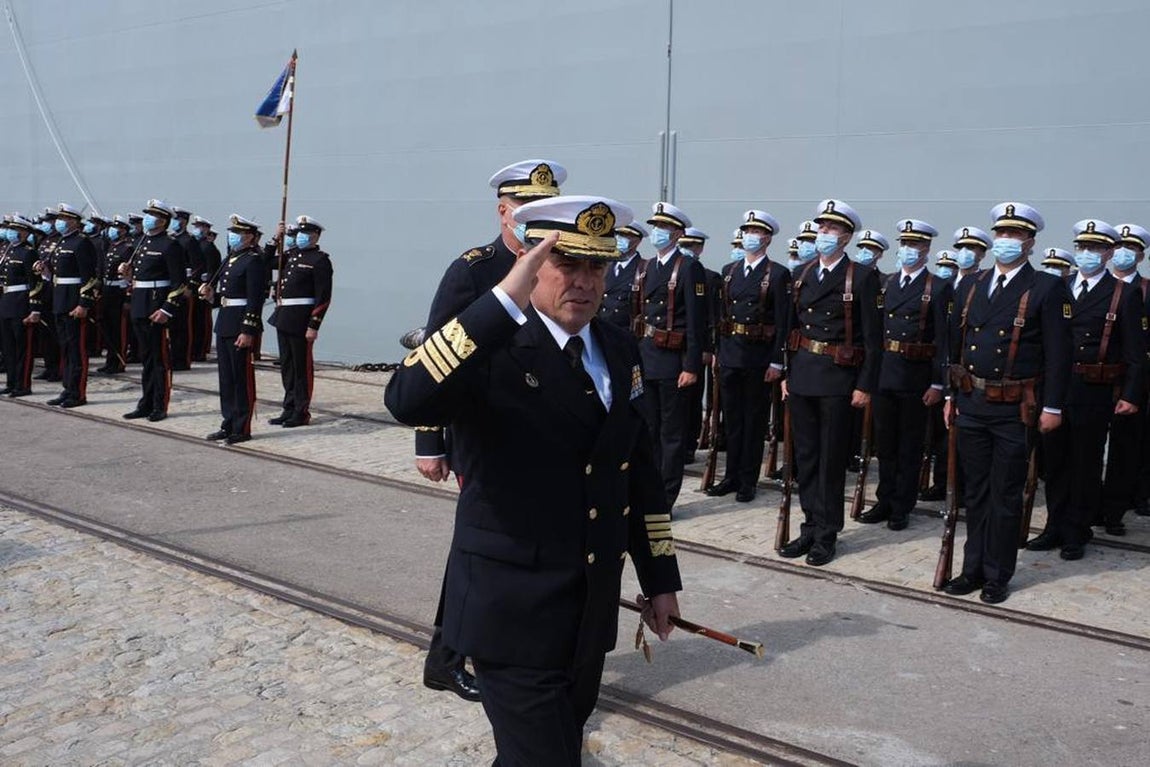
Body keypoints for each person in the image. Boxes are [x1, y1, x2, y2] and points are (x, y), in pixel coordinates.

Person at [385, 195, 682, 766]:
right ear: (530, 265)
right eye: (565, 263)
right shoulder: (490, 345)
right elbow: (406, 397)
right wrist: (501, 301)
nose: (584, 281)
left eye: (596, 266)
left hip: (589, 612)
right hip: (510, 612)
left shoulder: (618, 348)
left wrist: (660, 578)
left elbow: (638, 473)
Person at [413, 159, 567, 705]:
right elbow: (433, 361)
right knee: (478, 550)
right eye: (528, 208)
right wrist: (430, 441)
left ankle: (512, 645)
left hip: (543, 435)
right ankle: (447, 657)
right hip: (483, 437)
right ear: (504, 211)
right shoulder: (474, 270)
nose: (538, 218)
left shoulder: (561, 265)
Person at [943, 202, 1071, 604]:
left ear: (1030, 242)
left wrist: (1053, 406)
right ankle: (972, 568)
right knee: (976, 492)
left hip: (1015, 409)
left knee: (1006, 493)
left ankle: (997, 574)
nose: (1005, 241)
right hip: (972, 401)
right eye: (1001, 233)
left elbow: (1059, 355)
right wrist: (950, 395)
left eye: (1014, 235)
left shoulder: (1047, 287)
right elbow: (956, 345)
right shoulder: (971, 284)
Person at [1026, 219, 1144, 558]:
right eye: (1082, 247)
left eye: (1094, 248)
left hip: (1093, 390)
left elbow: (1136, 351)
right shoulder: (1058, 285)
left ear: (1108, 253)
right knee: (1054, 462)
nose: (1086, 253)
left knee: (1085, 463)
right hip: (1055, 388)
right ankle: (1054, 525)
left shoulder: (1124, 293)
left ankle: (1076, 531)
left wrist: (1131, 394)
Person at [779, 199, 881, 566]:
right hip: (804, 375)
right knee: (805, 459)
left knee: (830, 461)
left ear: (846, 237)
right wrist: (787, 374)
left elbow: (874, 339)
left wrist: (865, 385)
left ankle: (827, 533)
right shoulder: (802, 273)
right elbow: (791, 329)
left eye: (831, 228)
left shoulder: (862, 277)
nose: (823, 233)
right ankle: (809, 526)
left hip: (838, 379)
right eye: (821, 227)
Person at [859, 219, 951, 531]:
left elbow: (943, 340)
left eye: (915, 244)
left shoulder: (938, 287)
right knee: (884, 444)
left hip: (916, 377)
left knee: (910, 446)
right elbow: (873, 333)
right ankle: (884, 499)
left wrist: (938, 382)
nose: (908, 249)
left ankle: (902, 506)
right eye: (905, 243)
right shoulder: (886, 283)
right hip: (884, 373)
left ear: (926, 248)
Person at [706, 209, 791, 501]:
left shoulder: (777, 274)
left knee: (753, 421)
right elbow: (721, 314)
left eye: (756, 232)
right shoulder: (729, 271)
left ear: (767, 238)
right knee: (731, 420)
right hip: (731, 353)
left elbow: (782, 322)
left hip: (758, 357)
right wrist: (718, 351)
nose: (749, 236)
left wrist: (777, 361)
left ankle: (747, 480)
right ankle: (730, 476)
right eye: (747, 231)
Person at [636, 201, 707, 508]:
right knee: (649, 429)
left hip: (673, 361)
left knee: (672, 434)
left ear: (678, 234)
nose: (657, 232)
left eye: (664, 228)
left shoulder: (688, 267)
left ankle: (666, 497)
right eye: (655, 227)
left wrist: (691, 366)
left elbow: (695, 321)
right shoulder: (647, 267)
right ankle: (649, 489)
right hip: (647, 356)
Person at [202, 215, 268, 445]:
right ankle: (228, 422)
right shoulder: (230, 258)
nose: (232, 236)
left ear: (249, 236)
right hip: (225, 321)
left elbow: (255, 299)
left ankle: (242, 427)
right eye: (232, 232)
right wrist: (212, 296)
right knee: (226, 378)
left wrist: (248, 330)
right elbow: (226, 295)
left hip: (240, 324)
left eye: (237, 233)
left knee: (241, 378)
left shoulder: (253, 261)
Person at [1102, 223, 1150, 526]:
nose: (1123, 253)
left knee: (1126, 447)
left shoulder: (1145, 289)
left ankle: (1115, 510)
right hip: (1096, 378)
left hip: (1132, 381)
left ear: (1141, 255)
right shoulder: (1097, 286)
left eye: (1131, 248)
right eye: (1119, 246)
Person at [123, 200, 187, 422]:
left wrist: (166, 310)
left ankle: (160, 404)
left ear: (163, 220)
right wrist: (128, 275)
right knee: (146, 358)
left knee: (159, 360)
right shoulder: (142, 241)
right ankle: (146, 402)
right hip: (140, 305)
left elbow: (179, 283)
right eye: (148, 214)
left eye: (153, 215)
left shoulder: (170, 245)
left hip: (156, 307)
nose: (148, 218)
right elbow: (140, 278)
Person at [268, 215, 333, 427]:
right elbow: (265, 262)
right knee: (287, 366)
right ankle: (288, 407)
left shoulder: (320, 260)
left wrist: (314, 325)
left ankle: (301, 411)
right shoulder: (291, 255)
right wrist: (275, 239)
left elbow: (323, 297)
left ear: (315, 236)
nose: (301, 236)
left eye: (306, 233)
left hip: (301, 320)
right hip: (283, 316)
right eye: (300, 233)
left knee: (301, 368)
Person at [43, 203, 98, 408]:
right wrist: (45, 271)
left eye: (64, 218)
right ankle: (67, 388)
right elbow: (58, 273)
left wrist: (84, 303)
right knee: (65, 347)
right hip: (60, 299)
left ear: (74, 221)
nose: (60, 222)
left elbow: (89, 277)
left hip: (74, 301)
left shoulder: (81, 242)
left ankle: (78, 393)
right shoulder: (61, 241)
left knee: (77, 350)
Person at [0, 216, 40, 397]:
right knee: (8, 347)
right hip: (6, 302)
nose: (11, 232)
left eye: (15, 229)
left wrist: (34, 309)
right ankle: (11, 382)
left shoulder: (28, 252)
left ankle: (23, 384)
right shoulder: (8, 250)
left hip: (21, 303)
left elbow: (35, 282)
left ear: (24, 233)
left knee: (22, 348)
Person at [95, 216, 133, 374]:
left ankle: (119, 361)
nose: (113, 230)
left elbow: (130, 275)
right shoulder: (110, 247)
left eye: (117, 228)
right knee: (108, 328)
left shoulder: (127, 248)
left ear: (123, 231)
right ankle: (110, 360)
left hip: (119, 292)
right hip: (107, 291)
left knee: (118, 330)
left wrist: (128, 297)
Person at [598, 221, 648, 330]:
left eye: (626, 235)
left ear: (637, 241)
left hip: (624, 331)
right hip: (600, 327)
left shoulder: (643, 268)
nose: (620, 239)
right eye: (619, 234)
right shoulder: (606, 265)